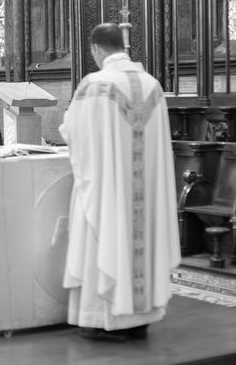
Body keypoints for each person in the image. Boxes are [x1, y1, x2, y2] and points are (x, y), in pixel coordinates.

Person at [59, 22, 180, 342]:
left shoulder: (95, 85)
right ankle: (141, 319)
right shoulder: (153, 85)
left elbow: (73, 131)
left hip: (108, 188)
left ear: (96, 49)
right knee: (142, 239)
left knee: (103, 236)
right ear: (122, 46)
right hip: (144, 193)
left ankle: (104, 320)